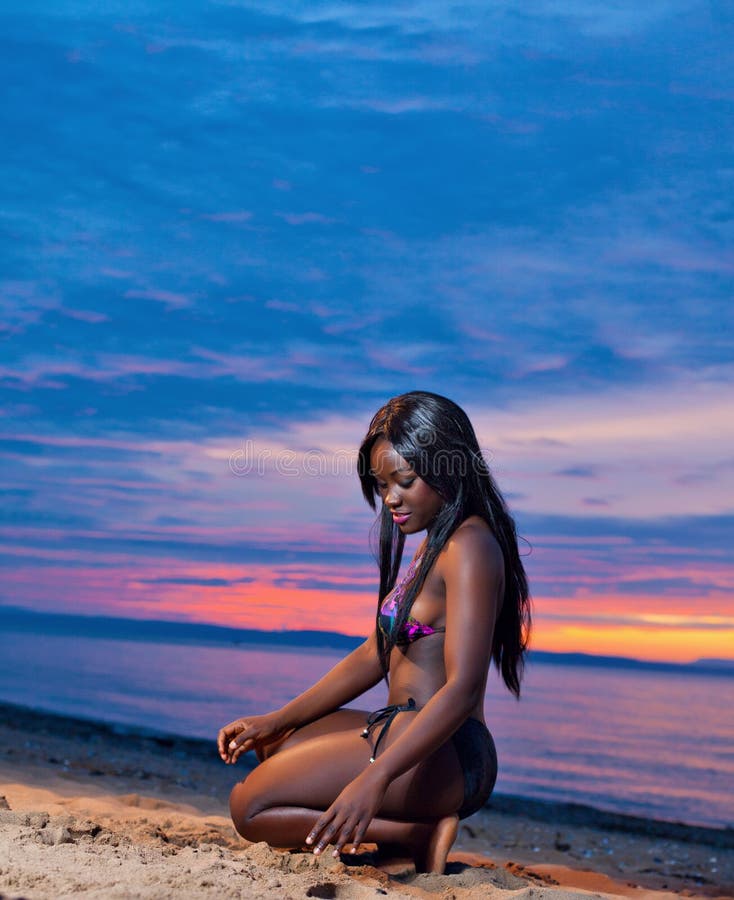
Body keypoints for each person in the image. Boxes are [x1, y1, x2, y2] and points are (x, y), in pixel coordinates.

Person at [217, 391, 531, 874]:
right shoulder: (432, 544)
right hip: (396, 725)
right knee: (273, 744)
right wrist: (276, 718)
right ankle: (407, 830)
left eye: (403, 480)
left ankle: (416, 834)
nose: (390, 498)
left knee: (249, 808)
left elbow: (464, 688)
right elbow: (373, 654)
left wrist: (376, 778)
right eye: (382, 483)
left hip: (446, 752)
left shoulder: (470, 544)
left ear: (447, 467)